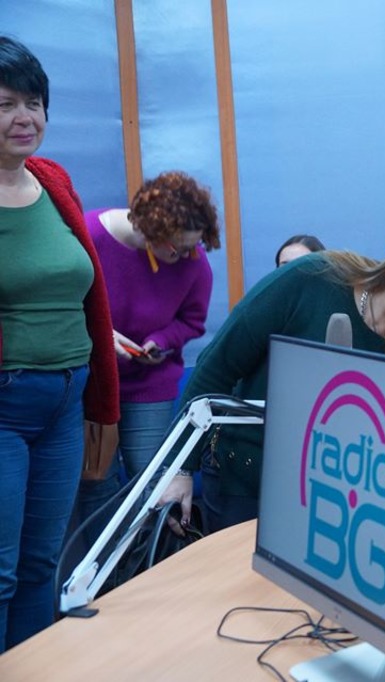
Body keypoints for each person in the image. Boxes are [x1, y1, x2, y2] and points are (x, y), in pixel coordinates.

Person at [159, 218, 385, 533]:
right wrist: (179, 468)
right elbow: (216, 367)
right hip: (247, 481)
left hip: (337, 498)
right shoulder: (310, 280)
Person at [0, 36, 119, 652]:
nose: (24, 117)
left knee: (42, 565)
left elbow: (84, 292)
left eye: (34, 102)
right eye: (5, 105)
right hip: (6, 403)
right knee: (0, 571)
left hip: (67, 402)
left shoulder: (53, 180)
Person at [75, 171, 220, 533]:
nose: (186, 255)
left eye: (192, 247)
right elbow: (62, 304)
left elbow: (192, 322)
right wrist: (99, 335)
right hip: (94, 383)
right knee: (97, 482)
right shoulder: (89, 236)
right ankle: (106, 566)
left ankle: (151, 560)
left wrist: (163, 340)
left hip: (149, 383)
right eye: (177, 247)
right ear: (149, 227)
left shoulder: (193, 263)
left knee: (154, 481)